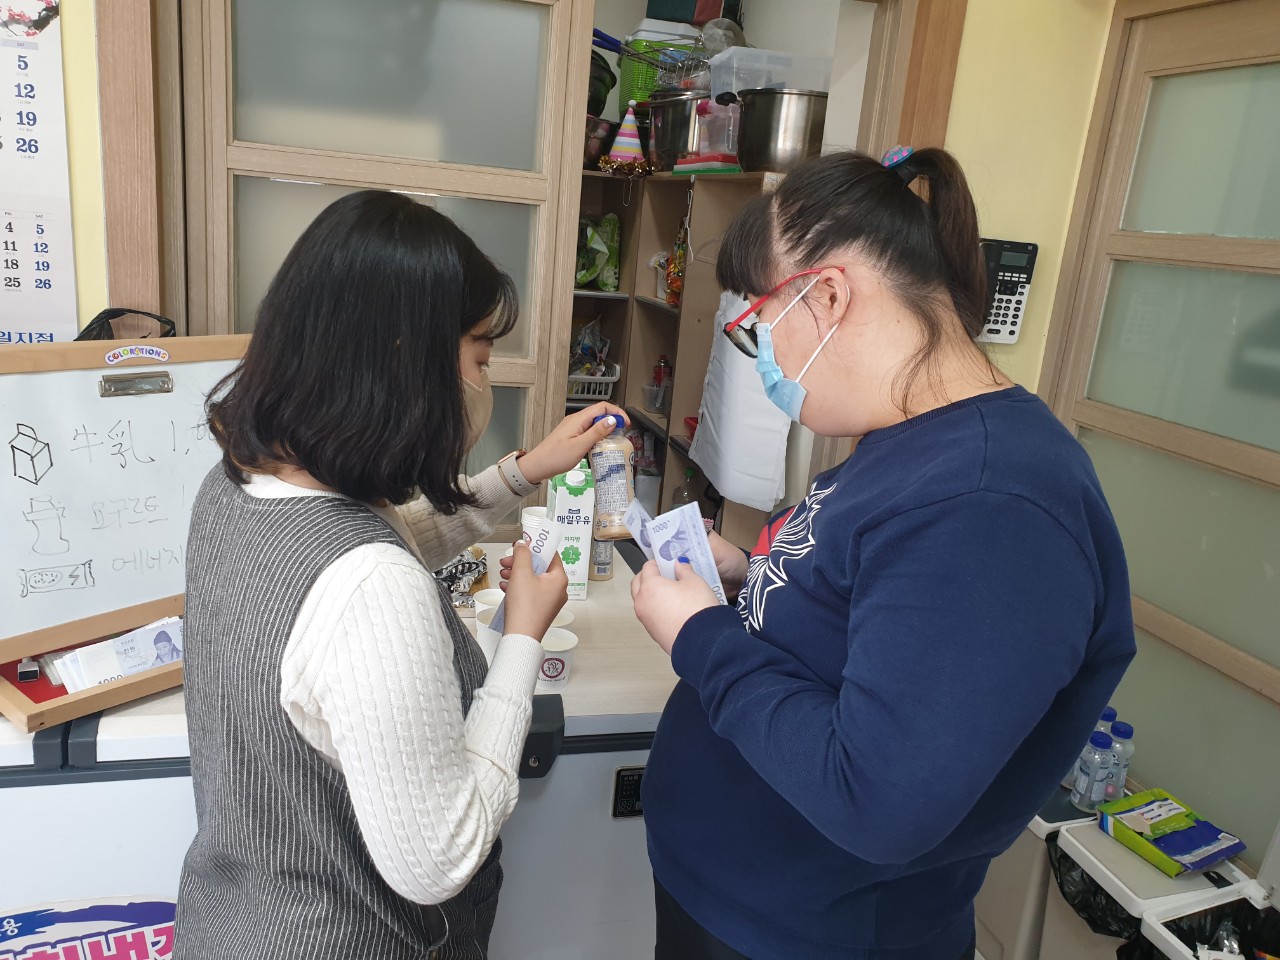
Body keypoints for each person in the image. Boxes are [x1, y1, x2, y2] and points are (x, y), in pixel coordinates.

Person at [629, 148, 1136, 960]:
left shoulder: (995, 503)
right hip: (736, 899)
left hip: (809, 936)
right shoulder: (910, 441)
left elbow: (877, 802)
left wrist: (700, 637)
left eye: (760, 326)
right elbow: (878, 622)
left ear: (827, 295)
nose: (766, 358)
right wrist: (751, 575)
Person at [175, 190, 626, 960]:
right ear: (402, 361)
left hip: (234, 922)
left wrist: (523, 472)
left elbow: (375, 535)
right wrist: (522, 638)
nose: (484, 379)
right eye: (479, 356)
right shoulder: (371, 587)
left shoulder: (235, 486)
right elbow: (439, 859)